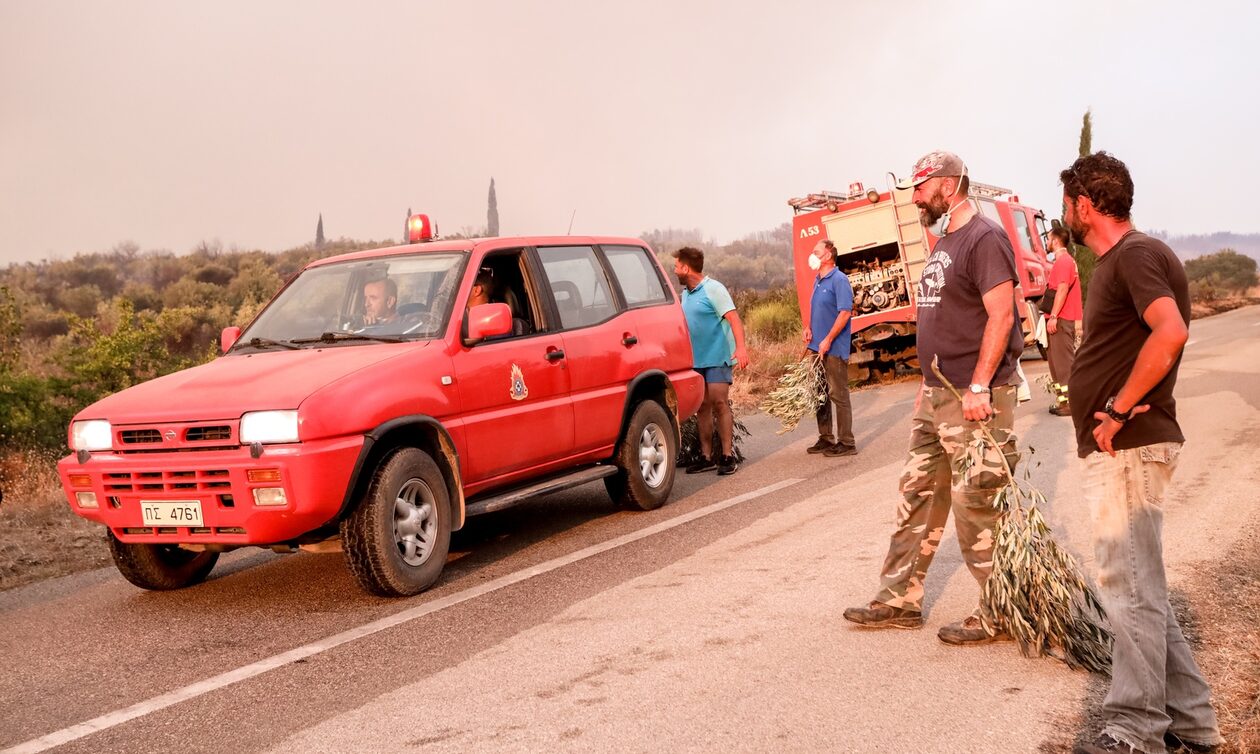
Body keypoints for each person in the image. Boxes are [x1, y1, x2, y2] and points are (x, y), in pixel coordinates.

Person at [1062, 153, 1221, 754]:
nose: (1065, 213)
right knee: (1142, 589)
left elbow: (1171, 330)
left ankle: (1135, 730)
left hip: (1128, 445)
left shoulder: (1132, 256)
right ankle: (1193, 723)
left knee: (1128, 590)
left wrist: (1120, 407)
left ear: (1085, 205)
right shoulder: (1131, 256)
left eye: (1068, 202)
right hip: (1127, 447)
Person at [843, 150, 1023, 646]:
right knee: (917, 496)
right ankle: (898, 599)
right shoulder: (946, 240)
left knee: (977, 502)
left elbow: (1002, 315)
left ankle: (1003, 610)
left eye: (920, 188)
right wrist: (927, 379)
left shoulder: (985, 238)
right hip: (936, 395)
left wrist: (980, 385)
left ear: (947, 184)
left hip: (973, 396)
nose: (916, 198)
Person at [673, 246, 750, 476]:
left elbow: (733, 319)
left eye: (676, 266)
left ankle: (727, 456)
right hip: (696, 361)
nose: (674, 270)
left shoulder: (714, 289)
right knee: (702, 407)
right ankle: (706, 457)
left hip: (718, 357)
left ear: (686, 268)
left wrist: (741, 349)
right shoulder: (685, 295)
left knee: (719, 403)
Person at [801, 239, 857, 457]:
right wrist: (809, 328)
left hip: (833, 347)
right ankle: (826, 437)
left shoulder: (839, 279)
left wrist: (828, 339)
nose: (812, 255)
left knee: (838, 394)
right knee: (820, 393)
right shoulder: (818, 280)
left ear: (827, 256)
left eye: (816, 252)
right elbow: (819, 309)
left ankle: (847, 442)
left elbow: (845, 313)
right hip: (817, 347)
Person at [1045, 226, 1083, 417]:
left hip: (1061, 318)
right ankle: (1063, 402)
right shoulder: (1065, 261)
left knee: (1063, 363)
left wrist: (1053, 316)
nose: (1046, 242)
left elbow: (1062, 290)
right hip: (1061, 317)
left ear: (1055, 241)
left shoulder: (1063, 262)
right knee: (1056, 364)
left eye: (1048, 238)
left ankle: (1071, 403)